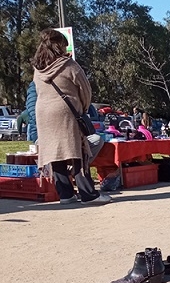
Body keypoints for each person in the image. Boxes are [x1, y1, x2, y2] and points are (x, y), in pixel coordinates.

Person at [32, 28, 111, 205]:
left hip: (43, 113)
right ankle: (88, 194)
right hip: (66, 113)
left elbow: (38, 91)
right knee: (77, 152)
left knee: (54, 153)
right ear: (59, 45)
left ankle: (65, 194)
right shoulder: (69, 65)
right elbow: (85, 91)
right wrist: (81, 108)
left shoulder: (38, 69)